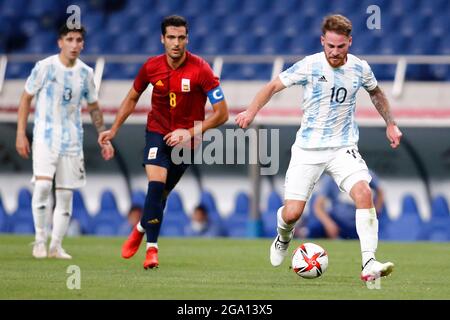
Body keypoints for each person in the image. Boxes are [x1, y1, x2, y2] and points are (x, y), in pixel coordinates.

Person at [236, 14, 402, 282]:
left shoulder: (360, 68)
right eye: (330, 46)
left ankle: (369, 262)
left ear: (350, 42)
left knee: (363, 193)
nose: (335, 53)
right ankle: (283, 237)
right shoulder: (310, 65)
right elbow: (273, 86)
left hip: (342, 147)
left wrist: (391, 124)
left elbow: (376, 92)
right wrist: (251, 111)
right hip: (308, 150)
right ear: (322, 41)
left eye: (341, 46)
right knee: (293, 213)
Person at [98, 15, 229, 269]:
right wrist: (113, 129)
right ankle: (152, 251)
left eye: (181, 38)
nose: (176, 43)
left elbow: (222, 114)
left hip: (187, 142)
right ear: (162, 39)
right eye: (171, 37)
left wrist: (189, 132)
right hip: (157, 131)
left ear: (187, 39)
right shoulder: (151, 67)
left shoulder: (202, 70)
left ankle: (139, 228)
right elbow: (132, 98)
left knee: (161, 196)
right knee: (155, 187)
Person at [16, 25, 114, 259]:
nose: (74, 44)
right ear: (60, 42)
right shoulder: (45, 67)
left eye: (78, 40)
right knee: (41, 187)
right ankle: (39, 240)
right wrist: (21, 133)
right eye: (69, 39)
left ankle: (55, 246)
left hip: (72, 139)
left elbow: (93, 106)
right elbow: (26, 97)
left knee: (65, 195)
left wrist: (104, 135)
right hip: (45, 136)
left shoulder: (86, 73)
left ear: (83, 44)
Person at [306, 170, 385, 239]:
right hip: (338, 222)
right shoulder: (331, 178)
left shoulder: (365, 173)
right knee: (315, 229)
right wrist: (329, 224)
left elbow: (380, 192)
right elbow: (318, 206)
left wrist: (375, 212)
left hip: (359, 222)